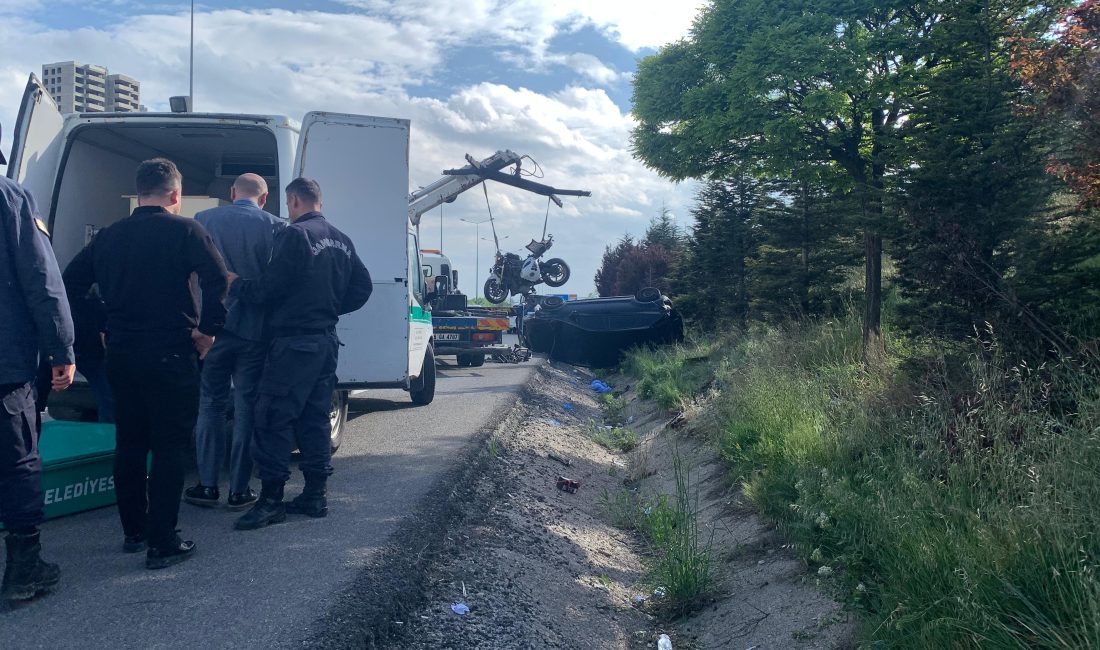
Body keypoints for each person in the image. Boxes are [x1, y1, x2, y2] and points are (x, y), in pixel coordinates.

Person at [63, 158, 228, 569]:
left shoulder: (110, 236)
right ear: (176, 195)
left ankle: (133, 531)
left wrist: (101, 321)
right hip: (172, 351)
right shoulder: (187, 230)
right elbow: (218, 278)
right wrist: (208, 329)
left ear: (139, 194)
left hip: (121, 352)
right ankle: (163, 541)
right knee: (170, 446)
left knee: (130, 443)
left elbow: (70, 282)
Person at [232, 177, 372, 530]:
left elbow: (268, 289)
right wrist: (328, 308)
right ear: (318, 202)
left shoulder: (294, 236)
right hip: (325, 342)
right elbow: (363, 288)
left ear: (293, 201)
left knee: (273, 417)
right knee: (313, 419)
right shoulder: (342, 239)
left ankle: (271, 500)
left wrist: (236, 284)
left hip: (293, 344)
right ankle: (314, 495)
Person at [0, 122, 76, 601]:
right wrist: (61, 349)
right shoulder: (12, 199)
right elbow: (42, 282)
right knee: (17, 461)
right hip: (5, 367)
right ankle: (23, 571)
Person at [184, 173, 283, 511]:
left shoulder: (203, 220)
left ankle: (208, 485)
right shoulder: (275, 226)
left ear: (231, 193)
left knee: (210, 403)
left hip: (211, 331)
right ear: (265, 198)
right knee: (246, 406)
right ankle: (239, 489)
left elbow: (191, 276)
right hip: (255, 330)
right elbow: (275, 283)